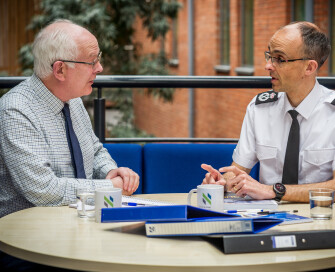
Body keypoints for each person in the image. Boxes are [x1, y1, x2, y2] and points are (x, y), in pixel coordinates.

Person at [0, 19, 140, 219]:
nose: (99, 68)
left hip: (79, 223)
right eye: (92, 61)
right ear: (60, 70)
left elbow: (94, 150)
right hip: (30, 237)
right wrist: (109, 186)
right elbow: (43, 190)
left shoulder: (72, 100)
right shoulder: (16, 110)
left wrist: (111, 171)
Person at [202, 21, 333, 203]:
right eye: (269, 56)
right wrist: (223, 183)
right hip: (268, 217)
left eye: (280, 59)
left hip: (320, 218)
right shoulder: (259, 108)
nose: (268, 66)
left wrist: (274, 191)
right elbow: (238, 170)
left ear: (309, 68)